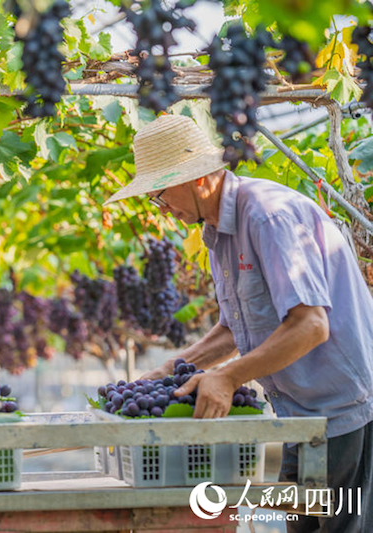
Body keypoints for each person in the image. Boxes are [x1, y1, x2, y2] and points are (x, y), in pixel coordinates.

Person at [105, 114, 373, 533]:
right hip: (299, 413)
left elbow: (311, 325)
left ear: (197, 179)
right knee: (302, 522)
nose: (162, 207)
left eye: (161, 194)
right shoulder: (217, 233)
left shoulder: (267, 216)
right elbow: (235, 329)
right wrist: (173, 366)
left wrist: (228, 378)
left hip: (344, 410)